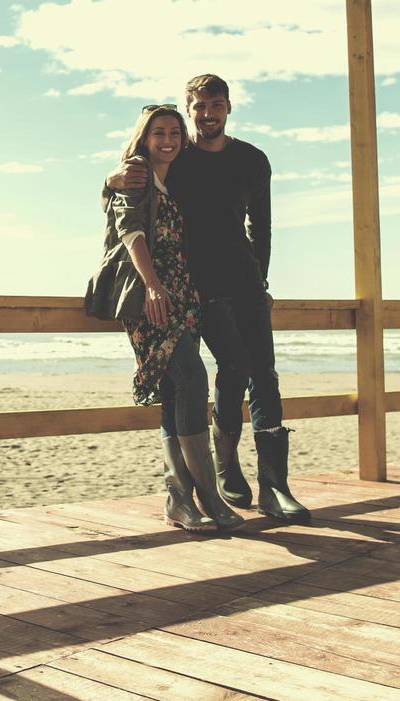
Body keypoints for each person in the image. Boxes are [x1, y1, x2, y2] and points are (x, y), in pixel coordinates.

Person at [106, 75, 310, 522]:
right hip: (197, 288)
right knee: (218, 372)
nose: (207, 114)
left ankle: (274, 488)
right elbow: (132, 192)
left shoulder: (252, 160)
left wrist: (263, 281)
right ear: (189, 108)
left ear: (229, 107)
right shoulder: (179, 156)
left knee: (265, 376)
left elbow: (263, 226)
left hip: (246, 283)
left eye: (215, 105)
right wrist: (110, 177)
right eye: (199, 107)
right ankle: (224, 467)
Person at [85, 104, 242, 531]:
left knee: (178, 393)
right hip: (148, 294)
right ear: (145, 136)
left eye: (175, 132)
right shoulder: (135, 173)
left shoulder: (180, 173)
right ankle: (207, 496)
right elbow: (130, 231)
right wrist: (153, 285)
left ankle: (180, 500)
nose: (168, 140)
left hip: (183, 294)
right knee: (192, 380)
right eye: (159, 133)